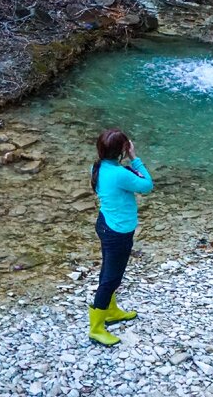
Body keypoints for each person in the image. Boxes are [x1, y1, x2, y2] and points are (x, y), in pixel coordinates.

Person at [88, 128, 153, 347]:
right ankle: (96, 328)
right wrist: (135, 158)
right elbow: (147, 185)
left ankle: (111, 310)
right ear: (123, 150)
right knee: (111, 279)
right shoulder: (120, 174)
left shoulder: (98, 167)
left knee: (108, 272)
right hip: (118, 233)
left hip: (105, 224)